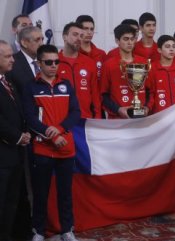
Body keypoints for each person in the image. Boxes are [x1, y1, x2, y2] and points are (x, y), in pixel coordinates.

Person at [23, 44, 81, 241]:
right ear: (39, 64)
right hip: (43, 148)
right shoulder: (31, 86)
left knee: (65, 193)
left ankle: (67, 230)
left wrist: (61, 129)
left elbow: (75, 113)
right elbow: (30, 118)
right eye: (48, 62)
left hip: (66, 148)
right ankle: (39, 231)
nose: (54, 65)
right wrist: (52, 135)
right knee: (41, 194)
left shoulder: (66, 85)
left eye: (57, 61)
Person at [4, 25, 43, 239]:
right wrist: (20, 134)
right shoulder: (14, 68)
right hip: (17, 139)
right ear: (25, 42)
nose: (40, 43)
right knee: (18, 189)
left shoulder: (44, 61)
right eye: (36, 39)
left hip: (38, 133)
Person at [0, 40, 31, 241]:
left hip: (16, 155)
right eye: (8, 56)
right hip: (3, 155)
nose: (13, 59)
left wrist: (25, 133)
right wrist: (18, 136)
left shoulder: (7, 80)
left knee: (13, 202)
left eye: (12, 55)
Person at [100, 24, 148, 119]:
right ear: (117, 41)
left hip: (141, 119)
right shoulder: (109, 65)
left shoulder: (143, 62)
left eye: (132, 39)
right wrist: (118, 109)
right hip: (117, 120)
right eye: (126, 39)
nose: (130, 42)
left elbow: (150, 90)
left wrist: (147, 107)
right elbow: (103, 95)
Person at [58, 22, 101, 119]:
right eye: (75, 34)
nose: (79, 39)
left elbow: (95, 96)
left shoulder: (89, 63)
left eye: (81, 36)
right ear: (64, 37)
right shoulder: (54, 62)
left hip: (85, 119)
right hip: (61, 121)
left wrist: (97, 118)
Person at [145, 35, 175, 114]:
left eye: (173, 46)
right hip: (158, 116)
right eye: (167, 47)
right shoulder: (151, 69)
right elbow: (149, 94)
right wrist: (147, 108)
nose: (171, 49)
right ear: (159, 50)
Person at [6, 26, 43, 96]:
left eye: (42, 39)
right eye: (37, 40)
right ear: (24, 43)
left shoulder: (46, 61)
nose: (41, 44)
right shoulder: (12, 63)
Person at [75, 15, 106, 79]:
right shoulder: (73, 53)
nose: (89, 32)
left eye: (91, 29)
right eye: (85, 29)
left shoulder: (101, 54)